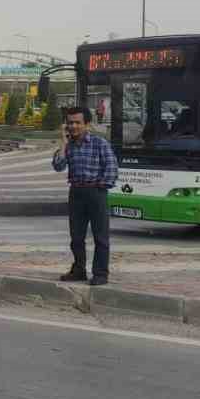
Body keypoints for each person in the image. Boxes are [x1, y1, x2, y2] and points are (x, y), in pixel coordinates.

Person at [52, 106, 119, 285]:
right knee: (76, 237)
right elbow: (58, 166)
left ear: (87, 124)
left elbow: (111, 167)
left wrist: (100, 186)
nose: (73, 126)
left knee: (101, 236)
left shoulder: (99, 143)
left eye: (77, 123)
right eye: (70, 123)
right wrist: (63, 143)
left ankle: (100, 273)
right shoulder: (69, 146)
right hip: (76, 193)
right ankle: (79, 270)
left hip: (96, 192)